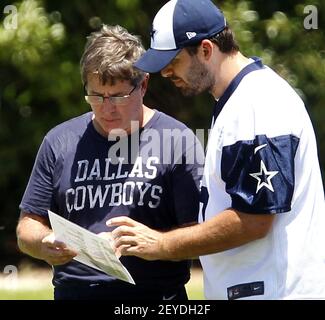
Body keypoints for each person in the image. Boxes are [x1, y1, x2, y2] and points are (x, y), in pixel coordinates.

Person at [108, 0, 325, 300]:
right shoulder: (237, 101)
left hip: (276, 291)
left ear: (206, 49)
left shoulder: (258, 102)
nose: (166, 73)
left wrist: (161, 245)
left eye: (173, 62)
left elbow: (255, 219)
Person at [16, 24, 204, 300]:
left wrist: (157, 243)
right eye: (96, 96)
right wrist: (45, 243)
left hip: (154, 296)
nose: (107, 108)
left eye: (118, 96)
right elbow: (27, 226)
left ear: (143, 86)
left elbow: (200, 234)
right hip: (74, 292)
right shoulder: (59, 141)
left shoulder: (177, 140)